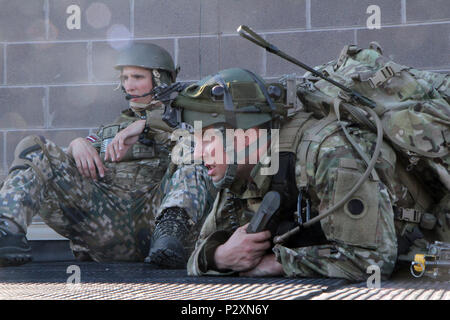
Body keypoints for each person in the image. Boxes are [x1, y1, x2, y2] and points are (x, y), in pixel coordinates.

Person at [170, 67, 447, 281]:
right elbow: (200, 249)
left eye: (207, 141)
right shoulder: (238, 172)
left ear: (246, 136)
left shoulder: (328, 153)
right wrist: (220, 257)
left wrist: (278, 263)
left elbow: (371, 262)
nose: (197, 154)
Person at [0, 42, 215, 268]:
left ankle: (171, 229)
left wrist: (147, 124)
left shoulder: (189, 119)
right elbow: (54, 167)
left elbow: (217, 144)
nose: (129, 85)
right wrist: (76, 145)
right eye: (124, 78)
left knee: (195, 147)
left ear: (160, 78)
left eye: (137, 77)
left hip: (163, 232)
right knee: (33, 147)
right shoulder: (113, 129)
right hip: (105, 225)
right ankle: (8, 230)